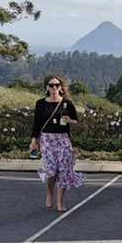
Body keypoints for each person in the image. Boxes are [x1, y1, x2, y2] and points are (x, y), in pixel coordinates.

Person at [29, 75, 85, 212]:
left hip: (63, 139)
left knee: (64, 170)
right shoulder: (41, 103)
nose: (54, 87)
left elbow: (77, 123)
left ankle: (60, 202)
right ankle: (49, 192)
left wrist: (69, 121)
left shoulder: (67, 103)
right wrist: (34, 140)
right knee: (51, 170)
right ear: (46, 87)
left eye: (57, 85)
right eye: (51, 85)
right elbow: (36, 124)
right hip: (47, 139)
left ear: (61, 87)